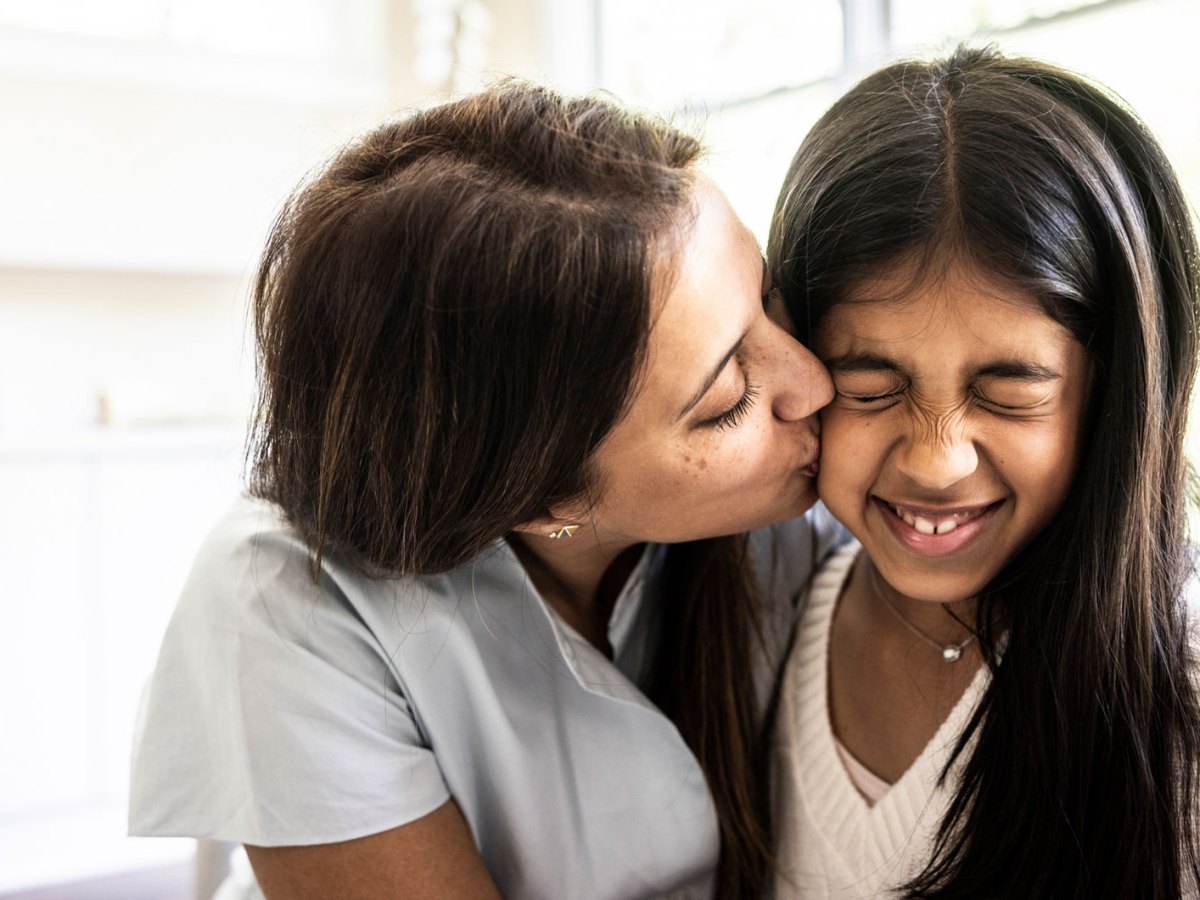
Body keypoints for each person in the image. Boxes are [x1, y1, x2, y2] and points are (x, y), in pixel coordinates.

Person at [128, 81, 841, 900]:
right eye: (726, 402)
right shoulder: (283, 599)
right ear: (540, 500)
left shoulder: (786, 509)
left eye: (769, 300)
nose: (814, 383)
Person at [767, 46, 1200, 898]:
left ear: (1111, 391)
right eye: (869, 385)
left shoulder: (1175, 683)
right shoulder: (764, 604)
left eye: (1009, 392)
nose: (936, 458)